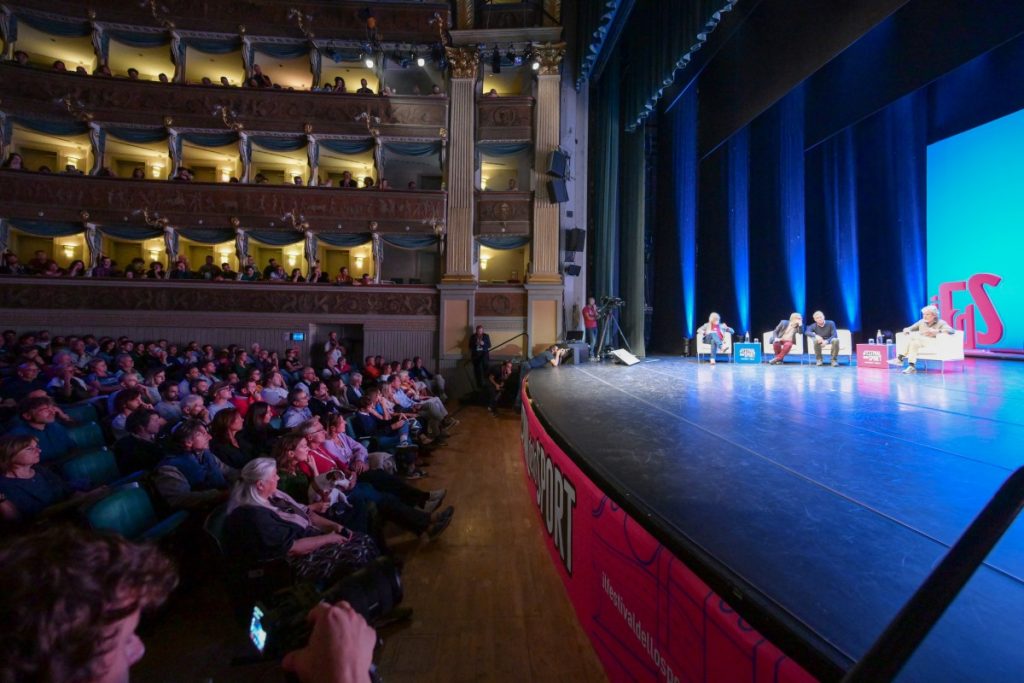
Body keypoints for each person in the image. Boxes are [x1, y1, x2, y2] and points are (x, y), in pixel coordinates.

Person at [223, 458, 379, 584]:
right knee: (358, 552)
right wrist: (330, 538)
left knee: (362, 539)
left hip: (308, 538)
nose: (278, 478)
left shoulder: (274, 494)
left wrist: (334, 526)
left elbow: (307, 512)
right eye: (274, 476)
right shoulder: (253, 515)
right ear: (260, 485)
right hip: (288, 564)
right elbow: (292, 548)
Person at [890, 304, 955, 374]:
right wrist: (906, 330)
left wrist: (937, 331)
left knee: (914, 338)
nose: (925, 316)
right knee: (914, 343)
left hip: (933, 343)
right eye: (924, 314)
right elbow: (909, 328)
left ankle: (900, 358)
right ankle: (912, 366)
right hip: (921, 342)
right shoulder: (921, 322)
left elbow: (952, 331)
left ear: (934, 315)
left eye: (927, 314)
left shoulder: (941, 322)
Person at [469, 325, 491, 390]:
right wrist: (475, 343)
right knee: (477, 372)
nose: (479, 332)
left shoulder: (486, 336)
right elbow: (470, 346)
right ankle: (479, 387)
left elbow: (489, 345)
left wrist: (483, 344)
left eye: (481, 331)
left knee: (485, 371)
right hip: (476, 357)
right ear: (476, 331)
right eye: (478, 331)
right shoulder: (472, 336)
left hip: (484, 356)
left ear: (483, 330)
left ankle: (486, 387)